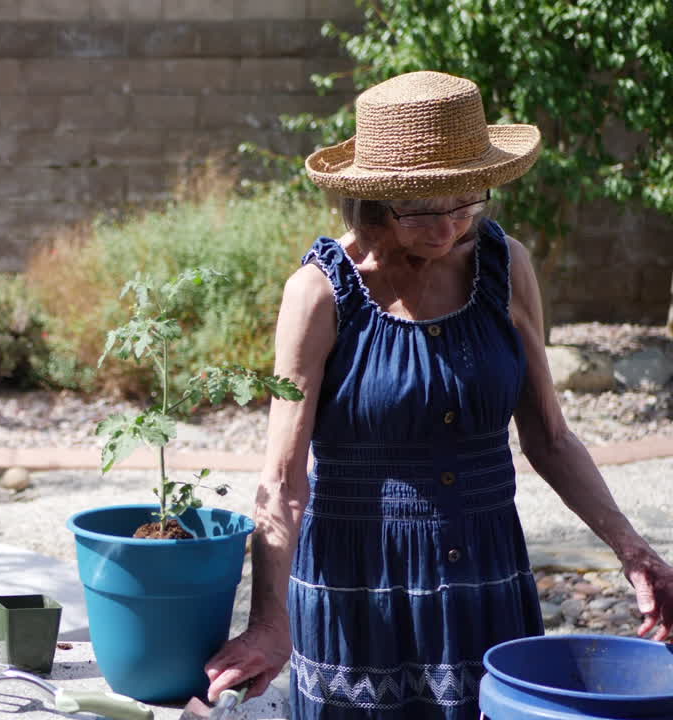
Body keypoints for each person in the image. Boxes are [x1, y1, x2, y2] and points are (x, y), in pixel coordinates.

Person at [202, 70, 673, 719]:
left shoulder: (507, 269)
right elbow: (282, 481)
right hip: (358, 585)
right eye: (423, 208)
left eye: (467, 201)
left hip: (486, 574)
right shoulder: (319, 295)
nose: (449, 226)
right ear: (374, 201)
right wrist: (268, 621)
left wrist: (635, 550)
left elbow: (551, 439)